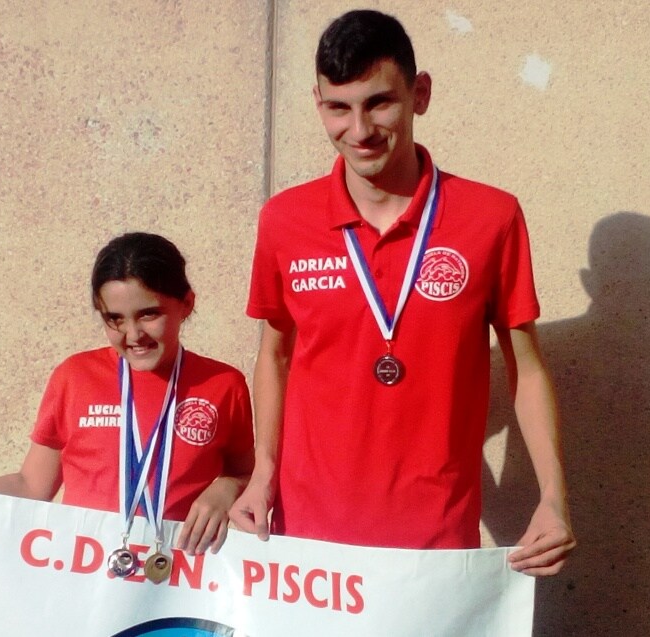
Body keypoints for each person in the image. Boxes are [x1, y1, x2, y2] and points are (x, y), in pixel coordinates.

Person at [229, 9, 574, 575]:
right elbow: (275, 353)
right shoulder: (284, 220)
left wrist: (554, 498)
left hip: (437, 544)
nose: (359, 130)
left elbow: (527, 367)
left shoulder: (491, 217)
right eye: (338, 107)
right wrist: (263, 474)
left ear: (420, 94)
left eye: (378, 102)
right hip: (307, 541)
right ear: (318, 103)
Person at [0, 232, 255, 557]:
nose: (133, 335)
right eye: (114, 319)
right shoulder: (75, 377)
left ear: (186, 304)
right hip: (82, 580)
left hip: (179, 581)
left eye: (148, 314)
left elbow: (248, 473)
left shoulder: (223, 384)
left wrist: (226, 487)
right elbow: (30, 486)